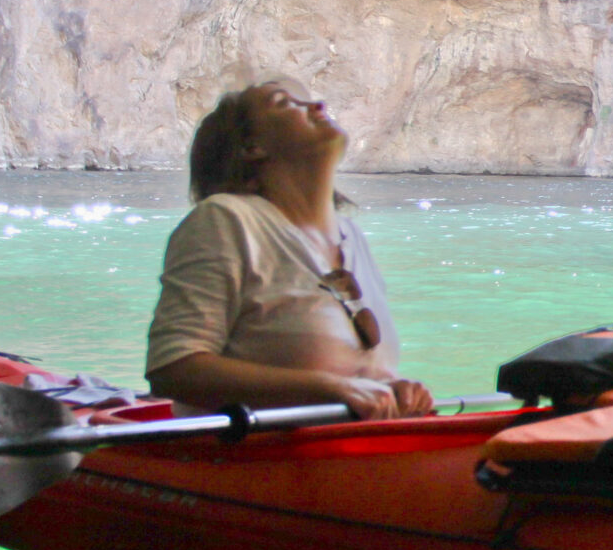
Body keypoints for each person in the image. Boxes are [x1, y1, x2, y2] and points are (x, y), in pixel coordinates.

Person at [146, 82, 434, 420]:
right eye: (285, 103)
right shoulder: (225, 219)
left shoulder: (351, 236)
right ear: (251, 147)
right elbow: (173, 370)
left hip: (348, 454)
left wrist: (394, 388)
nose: (318, 105)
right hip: (252, 462)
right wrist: (329, 388)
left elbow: (357, 376)